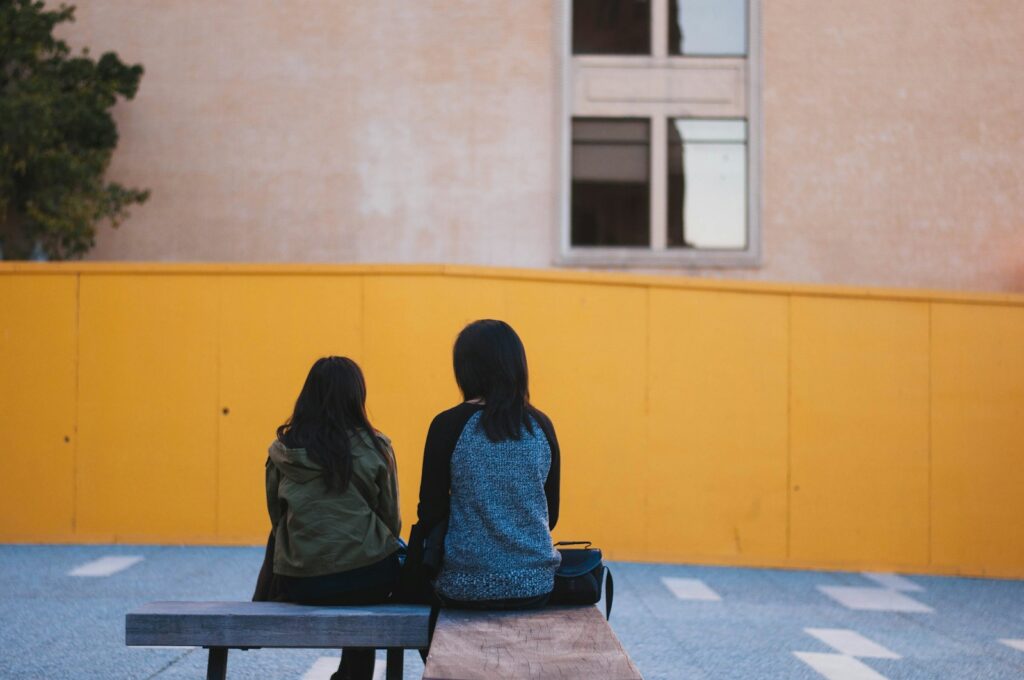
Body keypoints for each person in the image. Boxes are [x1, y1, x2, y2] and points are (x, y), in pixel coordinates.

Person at [263, 356, 401, 680]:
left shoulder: (281, 451)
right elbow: (390, 521)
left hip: (300, 581)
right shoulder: (376, 446)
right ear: (357, 396)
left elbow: (276, 519)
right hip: (370, 579)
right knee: (372, 567)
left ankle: (346, 675)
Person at [412, 319, 561, 610]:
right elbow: (550, 515)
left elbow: (430, 511)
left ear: (465, 370)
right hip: (535, 584)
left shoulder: (447, 425)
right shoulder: (541, 426)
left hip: (463, 585)